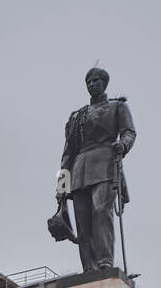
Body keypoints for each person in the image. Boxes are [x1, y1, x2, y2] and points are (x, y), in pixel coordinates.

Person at [56, 66, 136, 273]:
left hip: (105, 163)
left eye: (95, 80)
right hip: (80, 168)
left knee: (102, 211)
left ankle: (104, 260)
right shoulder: (77, 117)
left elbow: (128, 132)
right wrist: (61, 187)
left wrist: (123, 145)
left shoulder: (117, 107)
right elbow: (67, 155)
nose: (91, 84)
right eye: (88, 82)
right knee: (83, 221)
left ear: (104, 83)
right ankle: (88, 267)